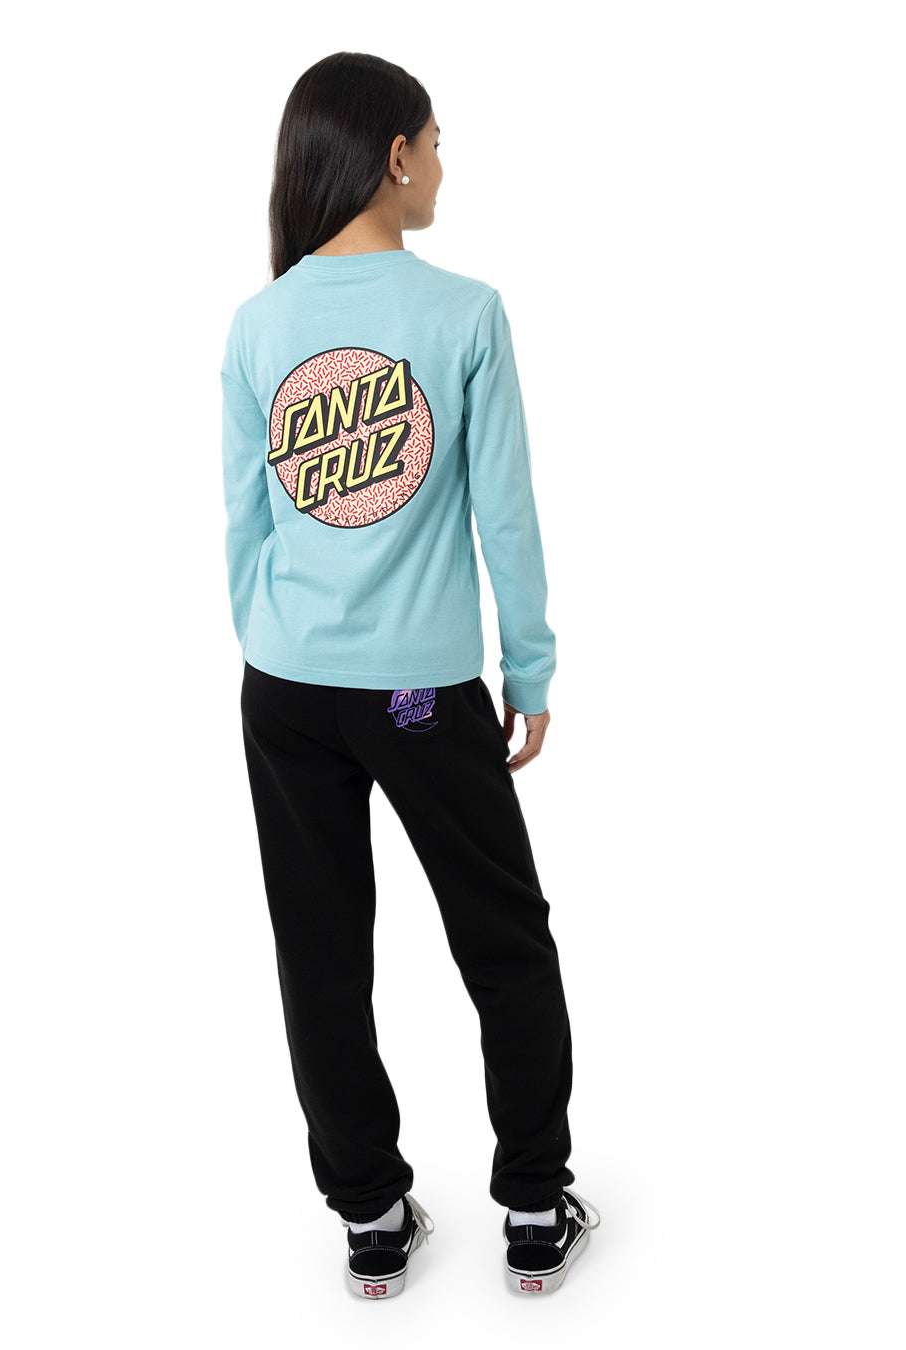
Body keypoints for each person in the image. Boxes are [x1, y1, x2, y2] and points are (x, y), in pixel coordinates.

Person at [219, 51, 600, 1298]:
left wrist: (279, 641)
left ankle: (371, 1218)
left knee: (319, 953)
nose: (441, 164)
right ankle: (534, 1205)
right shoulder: (464, 312)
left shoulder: (260, 324)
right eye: (434, 142)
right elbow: (508, 515)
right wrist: (528, 667)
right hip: (421, 694)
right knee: (504, 937)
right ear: (393, 156)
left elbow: (244, 521)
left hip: (285, 690)